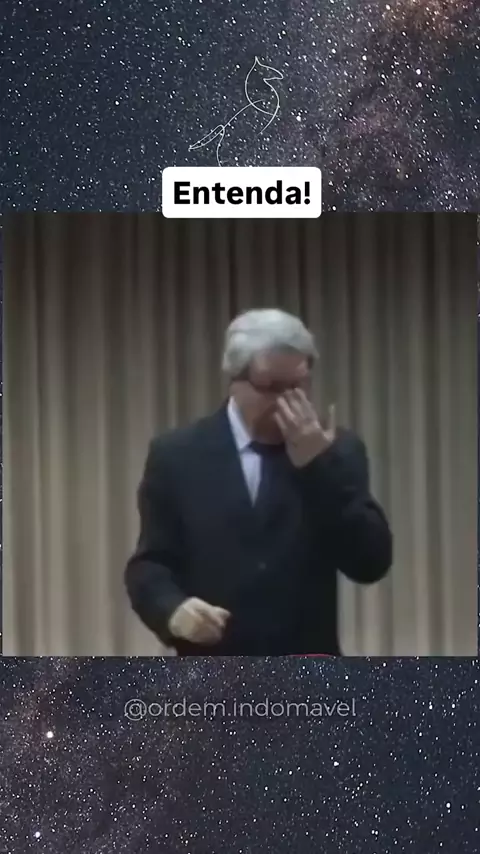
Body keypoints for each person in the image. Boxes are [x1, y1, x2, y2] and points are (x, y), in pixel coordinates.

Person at [125, 309, 393, 656]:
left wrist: (318, 467)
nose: (287, 401)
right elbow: (151, 564)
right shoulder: (177, 455)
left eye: (298, 386)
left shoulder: (337, 450)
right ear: (235, 381)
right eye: (272, 387)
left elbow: (370, 562)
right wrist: (172, 610)